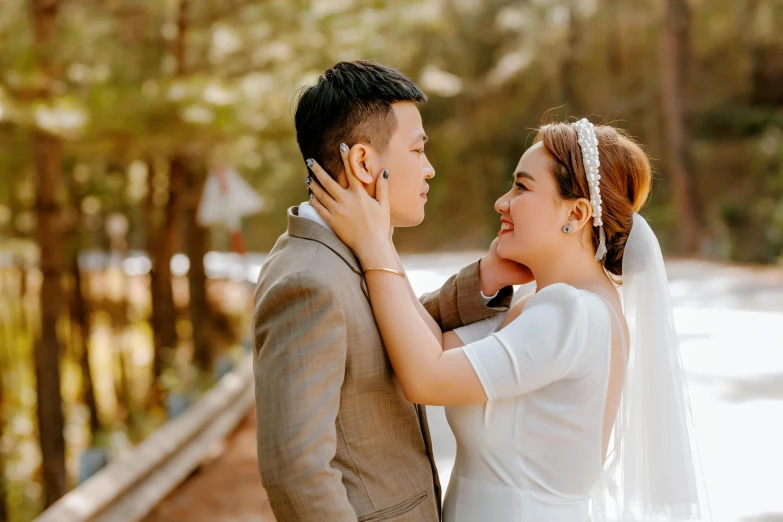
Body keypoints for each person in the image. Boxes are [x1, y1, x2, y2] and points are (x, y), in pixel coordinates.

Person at [307, 118, 709, 521]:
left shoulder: (573, 315)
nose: (502, 202)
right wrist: (390, 243)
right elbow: (430, 347)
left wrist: (375, 244)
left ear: (577, 213)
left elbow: (425, 376)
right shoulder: (542, 304)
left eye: (522, 187)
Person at [252, 61, 532, 521]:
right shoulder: (308, 281)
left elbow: (378, 337)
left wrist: (484, 279)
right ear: (365, 162)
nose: (429, 169)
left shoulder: (353, 244)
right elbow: (295, 470)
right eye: (418, 150)